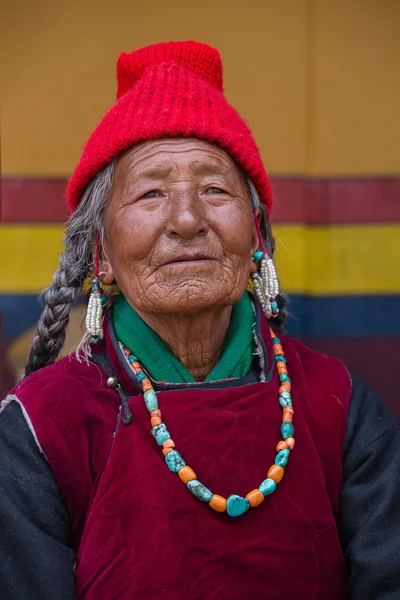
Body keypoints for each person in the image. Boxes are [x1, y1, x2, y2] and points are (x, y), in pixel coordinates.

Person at [0, 41, 399, 600]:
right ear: (102, 254)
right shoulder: (38, 431)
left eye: (214, 189)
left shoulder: (341, 407)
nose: (187, 219)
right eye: (150, 192)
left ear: (257, 236)